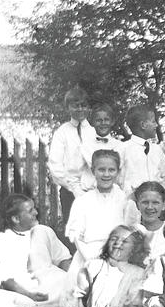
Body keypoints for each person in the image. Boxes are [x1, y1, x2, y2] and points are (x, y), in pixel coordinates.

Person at [64, 149, 131, 286]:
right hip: (89, 256)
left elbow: (131, 231)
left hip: (118, 255)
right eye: (101, 170)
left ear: (118, 172)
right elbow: (76, 236)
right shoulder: (83, 201)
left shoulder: (124, 200)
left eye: (111, 170)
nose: (106, 174)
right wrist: (91, 259)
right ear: (93, 171)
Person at [47, 87, 95, 220]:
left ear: (88, 107)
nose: (80, 109)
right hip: (70, 190)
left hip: (93, 189)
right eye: (75, 106)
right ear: (68, 108)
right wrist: (73, 187)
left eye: (83, 105)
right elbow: (55, 164)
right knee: (74, 231)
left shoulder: (94, 131)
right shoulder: (62, 132)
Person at [121, 104, 165, 197]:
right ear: (143, 125)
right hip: (132, 202)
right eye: (153, 121)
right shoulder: (123, 149)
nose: (156, 125)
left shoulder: (156, 150)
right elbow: (118, 179)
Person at [123, 181, 165, 267]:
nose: (150, 207)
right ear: (137, 205)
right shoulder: (130, 233)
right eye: (145, 202)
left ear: (164, 205)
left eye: (155, 202)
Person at [80, 103, 126, 191]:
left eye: (106, 120)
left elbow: (121, 173)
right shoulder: (85, 146)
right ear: (92, 122)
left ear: (112, 121)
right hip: (90, 192)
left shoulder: (120, 146)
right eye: (99, 120)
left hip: (113, 193)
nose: (103, 123)